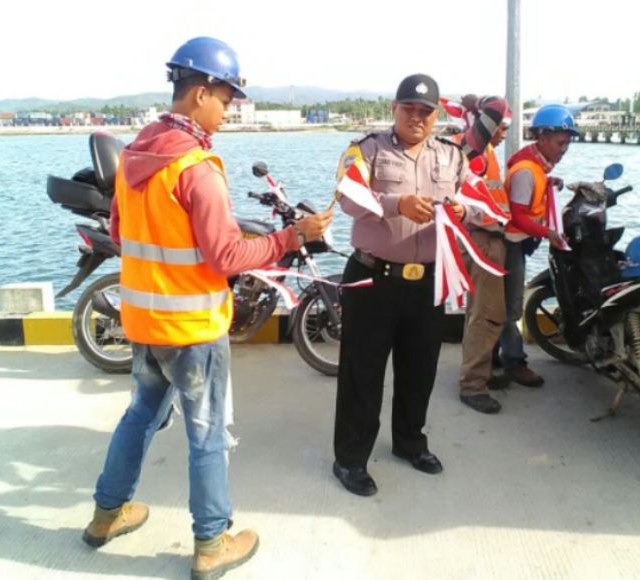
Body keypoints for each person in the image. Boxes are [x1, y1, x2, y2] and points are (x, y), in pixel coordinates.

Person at [81, 37, 332, 579]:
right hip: (192, 327)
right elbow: (227, 256)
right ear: (199, 94)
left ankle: (106, 514)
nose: (228, 111)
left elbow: (123, 233)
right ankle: (212, 542)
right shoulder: (198, 167)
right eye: (225, 99)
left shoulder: (133, 160)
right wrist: (289, 238)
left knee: (140, 414)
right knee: (207, 433)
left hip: (143, 322)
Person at [332, 73, 470, 496]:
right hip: (373, 279)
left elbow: (478, 201)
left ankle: (410, 442)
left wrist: (465, 210)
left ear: (435, 116)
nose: (417, 117)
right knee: (363, 373)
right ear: (394, 108)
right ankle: (350, 460)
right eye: (409, 108)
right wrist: (397, 204)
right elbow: (347, 195)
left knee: (420, 371)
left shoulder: (451, 157)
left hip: (426, 282)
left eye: (425, 111)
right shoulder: (366, 150)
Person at [499, 104, 572, 388]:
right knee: (511, 308)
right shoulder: (527, 171)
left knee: (506, 305)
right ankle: (514, 362)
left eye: (567, 143)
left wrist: (549, 180)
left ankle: (499, 356)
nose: (564, 148)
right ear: (541, 138)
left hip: (517, 244)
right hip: (510, 245)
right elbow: (517, 214)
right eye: (560, 142)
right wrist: (549, 233)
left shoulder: (537, 168)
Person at [453, 95, 513, 414]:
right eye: (501, 127)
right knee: (488, 314)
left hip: (485, 238)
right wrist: (480, 103)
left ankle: (481, 373)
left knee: (480, 312)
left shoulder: (487, 153)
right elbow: (497, 105)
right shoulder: (474, 152)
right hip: (482, 240)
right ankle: (473, 385)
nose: (503, 132)